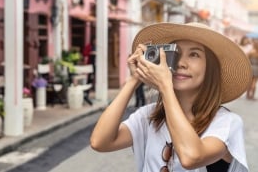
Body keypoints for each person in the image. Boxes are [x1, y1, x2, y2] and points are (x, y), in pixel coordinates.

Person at [90, 22, 251, 172]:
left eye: (194, 54)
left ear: (211, 69)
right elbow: (100, 142)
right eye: (176, 53)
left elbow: (191, 157)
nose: (181, 63)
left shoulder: (226, 122)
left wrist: (165, 87)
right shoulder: (149, 116)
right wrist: (134, 80)